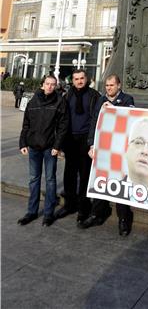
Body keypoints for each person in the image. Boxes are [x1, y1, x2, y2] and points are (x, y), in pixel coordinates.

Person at [80, 75, 135, 235]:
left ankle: (124, 219)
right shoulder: (101, 99)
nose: (109, 88)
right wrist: (92, 144)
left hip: (119, 149)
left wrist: (111, 107)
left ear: (119, 85)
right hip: (103, 148)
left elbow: (129, 117)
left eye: (112, 85)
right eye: (107, 86)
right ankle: (97, 213)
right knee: (100, 182)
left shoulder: (127, 99)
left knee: (120, 185)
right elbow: (94, 122)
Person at [18, 75, 68, 226]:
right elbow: (26, 124)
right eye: (47, 84)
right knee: (34, 179)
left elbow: (63, 126)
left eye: (53, 84)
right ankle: (31, 212)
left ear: (56, 86)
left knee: (50, 180)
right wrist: (23, 143)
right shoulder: (33, 101)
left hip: (50, 148)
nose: (50, 87)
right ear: (42, 85)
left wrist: (57, 146)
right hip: (33, 146)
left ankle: (48, 214)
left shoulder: (60, 101)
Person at [55, 69, 100, 224]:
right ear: (72, 80)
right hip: (70, 139)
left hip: (86, 140)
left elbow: (100, 117)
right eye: (76, 79)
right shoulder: (67, 96)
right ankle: (69, 205)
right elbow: (60, 119)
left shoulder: (94, 95)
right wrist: (59, 143)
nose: (79, 81)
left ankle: (83, 208)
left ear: (86, 79)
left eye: (82, 78)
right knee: (69, 174)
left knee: (85, 175)